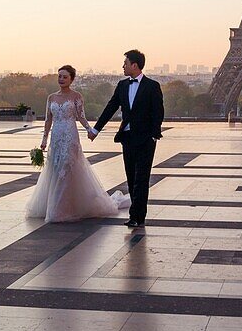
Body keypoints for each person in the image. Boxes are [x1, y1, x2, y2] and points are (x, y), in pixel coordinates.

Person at [27, 66, 128, 223]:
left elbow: (81, 116)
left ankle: (62, 209)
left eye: (65, 77)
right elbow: (48, 120)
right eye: (59, 76)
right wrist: (44, 140)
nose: (61, 79)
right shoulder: (51, 98)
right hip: (56, 137)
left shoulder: (76, 96)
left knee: (68, 168)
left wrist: (91, 130)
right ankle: (56, 206)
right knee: (55, 168)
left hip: (70, 136)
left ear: (71, 79)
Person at [88, 50, 164, 229]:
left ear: (134, 65)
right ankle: (135, 215)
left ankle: (138, 216)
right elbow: (110, 107)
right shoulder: (122, 86)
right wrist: (96, 128)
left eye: (125, 63)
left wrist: (154, 135)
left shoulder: (152, 86)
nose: (123, 66)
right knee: (131, 177)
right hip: (128, 138)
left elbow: (158, 112)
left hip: (145, 139)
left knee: (142, 178)